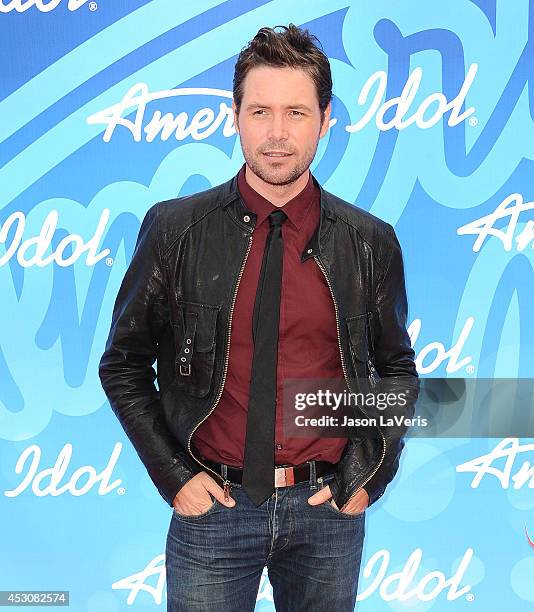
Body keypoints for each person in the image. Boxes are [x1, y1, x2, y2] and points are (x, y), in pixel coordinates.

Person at [98, 23, 420, 612]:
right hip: (212, 509)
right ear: (236, 116)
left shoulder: (370, 242)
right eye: (260, 111)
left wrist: (369, 475)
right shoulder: (176, 231)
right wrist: (175, 476)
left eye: (296, 112)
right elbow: (121, 363)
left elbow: (396, 368)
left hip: (327, 511)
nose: (277, 134)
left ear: (326, 119)